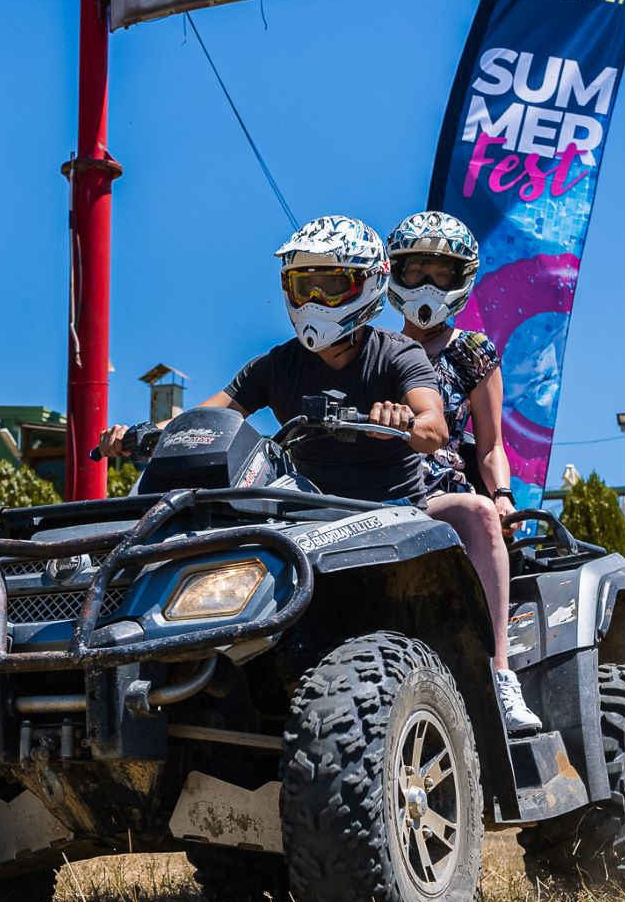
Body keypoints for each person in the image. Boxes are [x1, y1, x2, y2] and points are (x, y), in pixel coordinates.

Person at [98, 214, 541, 733]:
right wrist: (145, 432)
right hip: (307, 517)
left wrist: (408, 421)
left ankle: (498, 673)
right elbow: (208, 417)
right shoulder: (275, 365)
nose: (315, 299)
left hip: (401, 512)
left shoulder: (398, 352)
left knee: (475, 510)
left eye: (332, 285)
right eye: (303, 285)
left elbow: (434, 424)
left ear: (366, 285)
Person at [381, 210, 536, 732]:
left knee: (478, 511)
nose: (426, 283)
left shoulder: (472, 352)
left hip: (438, 492)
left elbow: (491, 446)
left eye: (440, 272)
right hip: (372, 494)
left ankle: (499, 674)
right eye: (416, 269)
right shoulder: (372, 348)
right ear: (393, 274)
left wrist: (504, 497)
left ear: (461, 278)